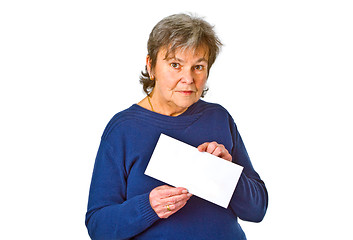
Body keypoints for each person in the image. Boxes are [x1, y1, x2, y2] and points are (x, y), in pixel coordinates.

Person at [85, 13, 268, 240]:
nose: (188, 78)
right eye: (175, 64)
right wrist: (147, 207)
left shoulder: (219, 118)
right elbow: (98, 227)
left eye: (198, 66)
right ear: (151, 66)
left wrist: (228, 175)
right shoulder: (123, 129)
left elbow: (257, 210)